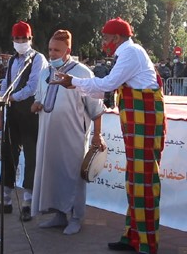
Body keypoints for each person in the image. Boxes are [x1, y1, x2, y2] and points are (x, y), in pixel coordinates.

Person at [52, 17, 166, 254]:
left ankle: (147, 244)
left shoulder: (130, 53)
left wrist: (73, 82)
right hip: (137, 123)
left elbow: (107, 84)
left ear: (116, 38)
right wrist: (74, 84)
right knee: (135, 179)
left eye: (105, 38)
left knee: (143, 180)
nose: (104, 42)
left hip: (144, 123)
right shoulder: (128, 52)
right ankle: (133, 237)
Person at [30, 30, 106, 235]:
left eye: (57, 50)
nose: (52, 54)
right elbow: (41, 97)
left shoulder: (82, 73)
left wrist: (97, 136)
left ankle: (76, 217)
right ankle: (58, 215)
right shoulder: (45, 72)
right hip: (48, 136)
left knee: (73, 176)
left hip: (73, 137)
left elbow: (96, 109)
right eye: (50, 50)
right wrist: (37, 103)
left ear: (68, 51)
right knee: (53, 174)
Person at [0, 21, 48, 222]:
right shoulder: (12, 61)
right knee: (9, 155)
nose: (20, 42)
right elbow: (5, 85)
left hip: (30, 113)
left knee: (30, 157)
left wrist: (13, 98)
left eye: (23, 39)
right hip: (12, 113)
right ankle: (6, 201)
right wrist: (0, 111)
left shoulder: (38, 59)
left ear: (30, 39)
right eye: (17, 39)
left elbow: (33, 87)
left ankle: (28, 203)